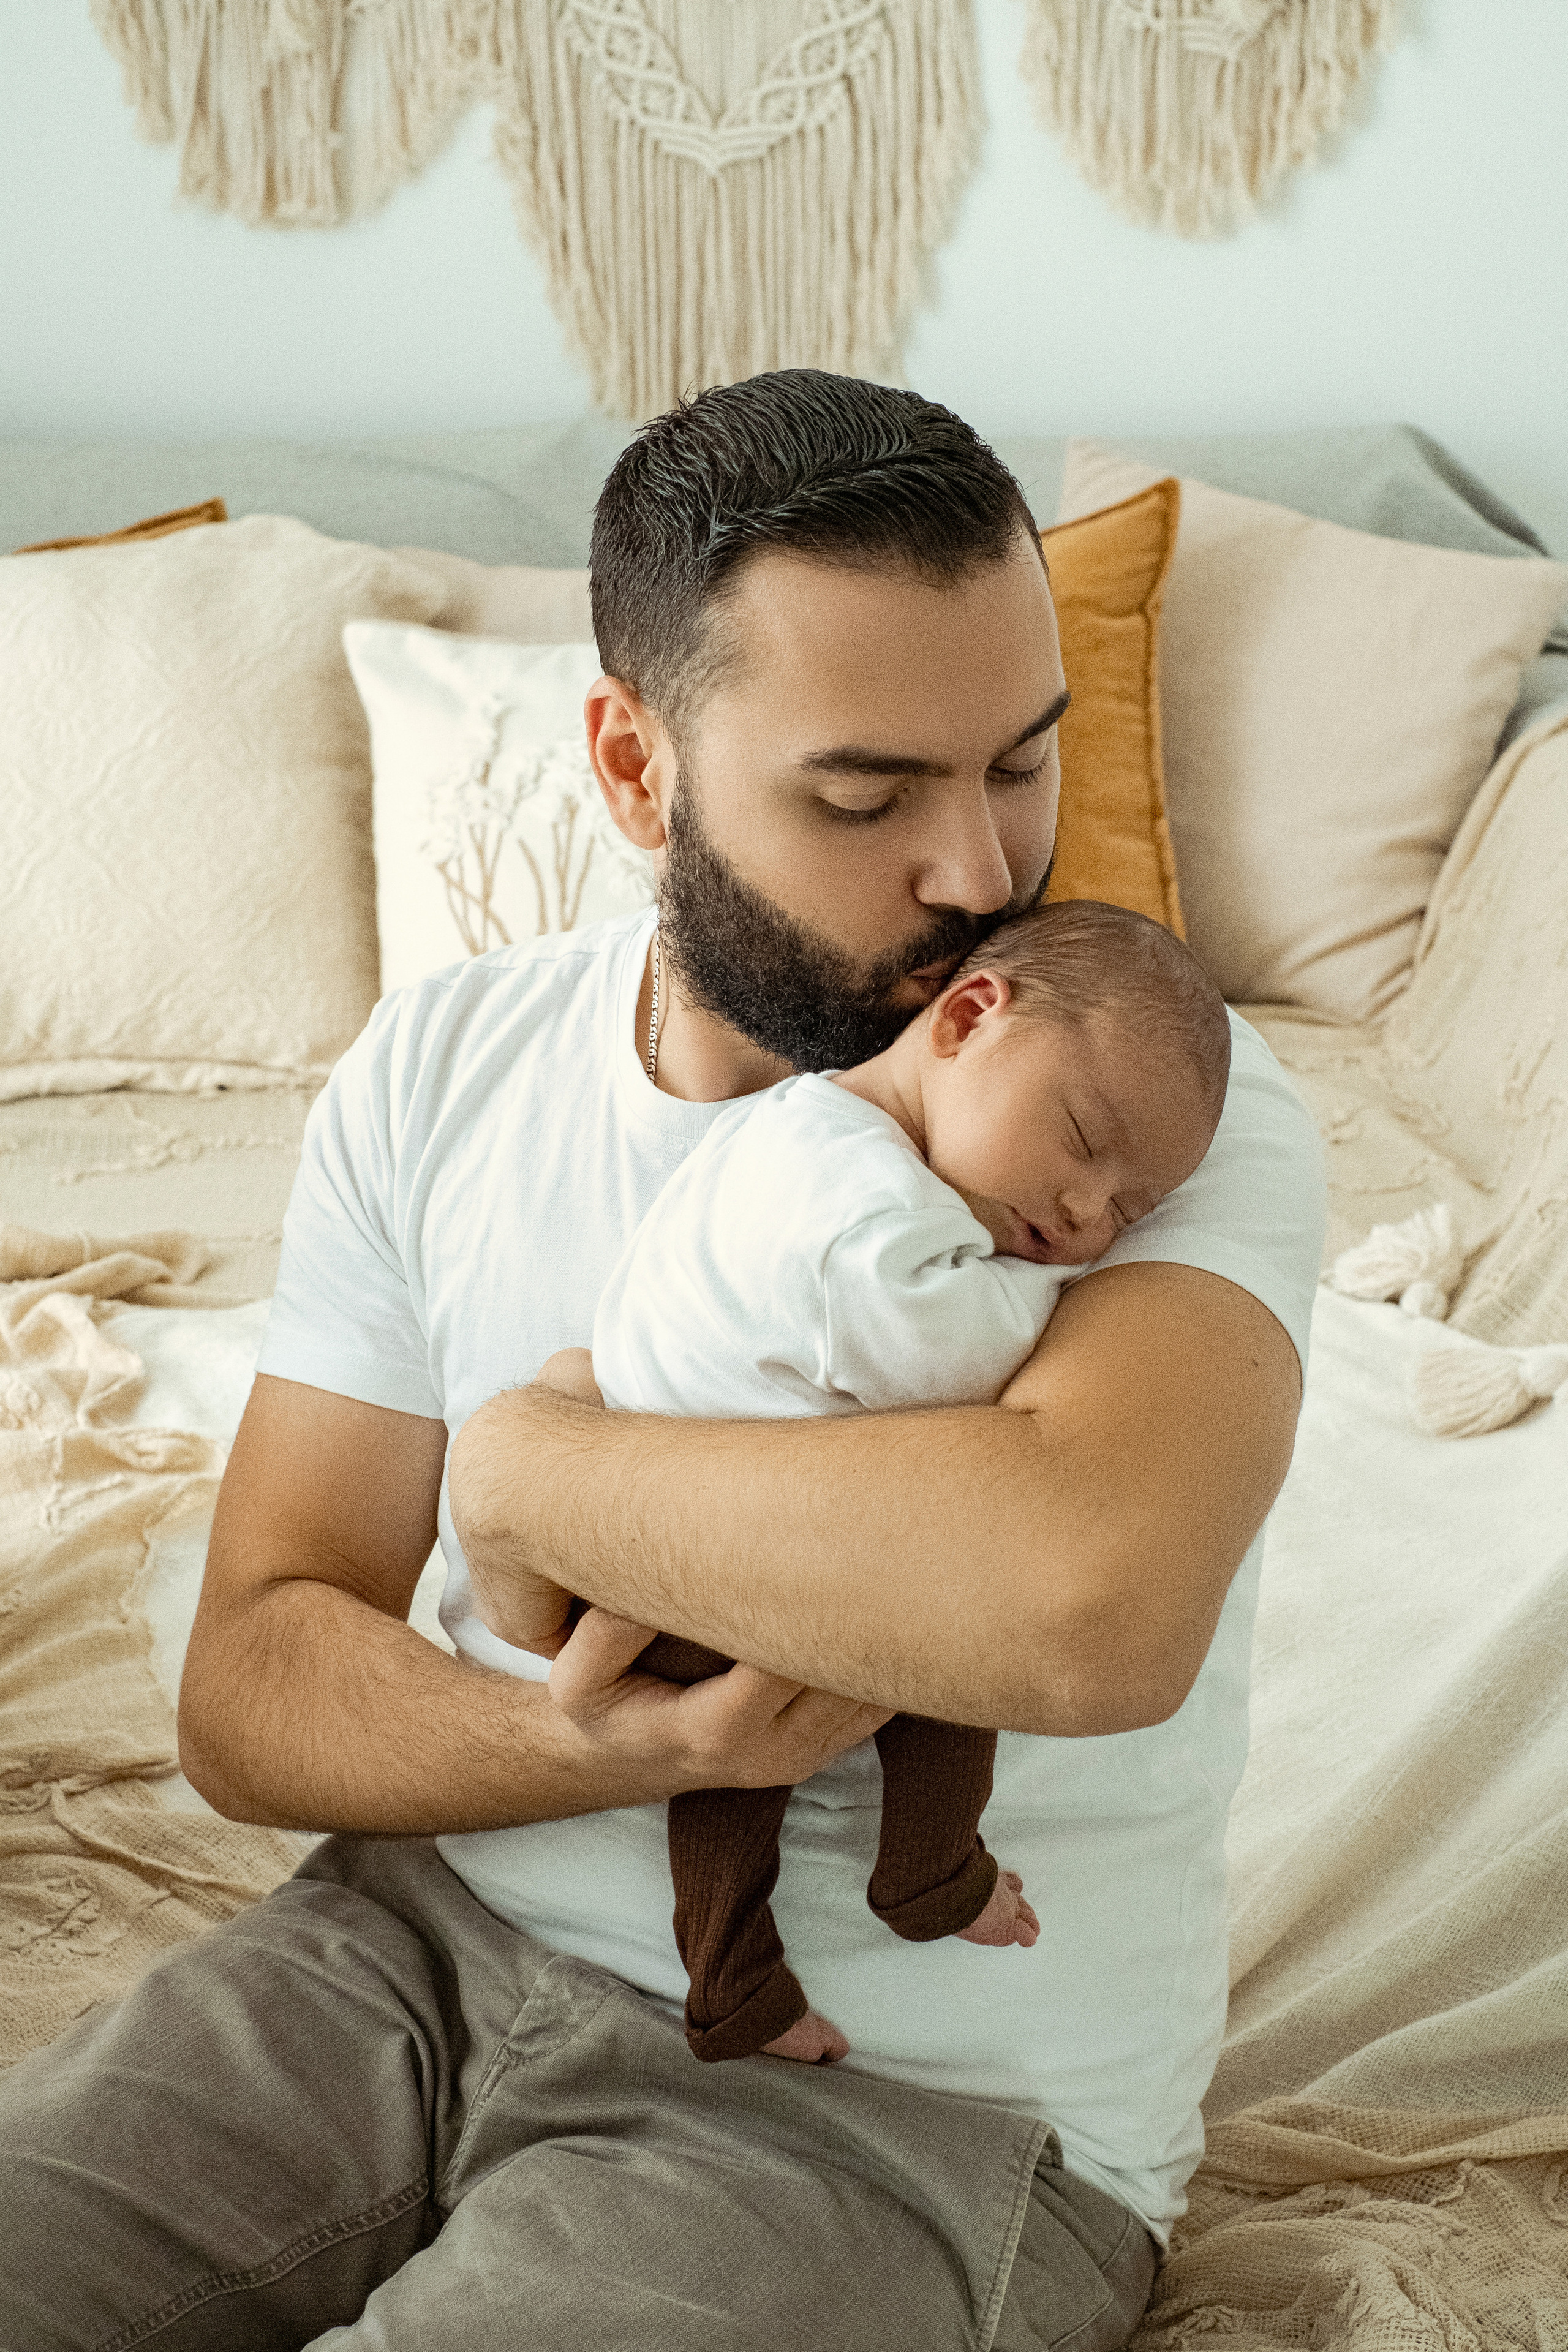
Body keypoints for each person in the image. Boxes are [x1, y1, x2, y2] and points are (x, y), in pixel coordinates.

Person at [0, 371, 1325, 2352]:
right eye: (867, 798)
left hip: (896, 2115)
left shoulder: (1136, 1118)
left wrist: (528, 1468)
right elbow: (256, 1680)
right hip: (396, 1952)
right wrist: (586, 1747)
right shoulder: (441, 1072)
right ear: (632, 767)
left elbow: (1081, 1608)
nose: (983, 874)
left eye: (1025, 766)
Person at [513, 897, 1231, 2069]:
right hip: (723, 1553)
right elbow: (946, 1352)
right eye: (1084, 1142)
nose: (1085, 1214)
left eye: (1131, 1211)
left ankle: (734, 1989)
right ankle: (932, 1872)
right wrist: (1084, 1304)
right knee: (961, 1657)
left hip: (660, 1537)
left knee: (730, 1795)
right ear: (968, 1016)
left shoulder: (796, 1124)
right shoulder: (870, 1211)